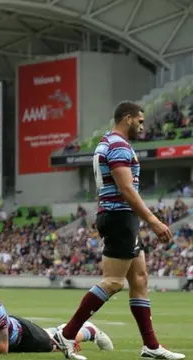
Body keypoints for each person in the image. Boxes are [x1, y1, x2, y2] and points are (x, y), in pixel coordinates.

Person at [52, 102, 185, 360]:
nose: (143, 126)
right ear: (127, 118)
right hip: (119, 217)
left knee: (140, 279)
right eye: (140, 121)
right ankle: (67, 335)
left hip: (120, 217)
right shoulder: (118, 146)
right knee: (114, 282)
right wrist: (153, 220)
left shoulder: (107, 142)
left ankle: (151, 346)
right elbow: (126, 189)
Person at [0, 279, 114, 355]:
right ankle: (65, 328)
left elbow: (2, 348)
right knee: (53, 335)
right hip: (5, 332)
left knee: (57, 345)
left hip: (22, 336)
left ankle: (90, 330)